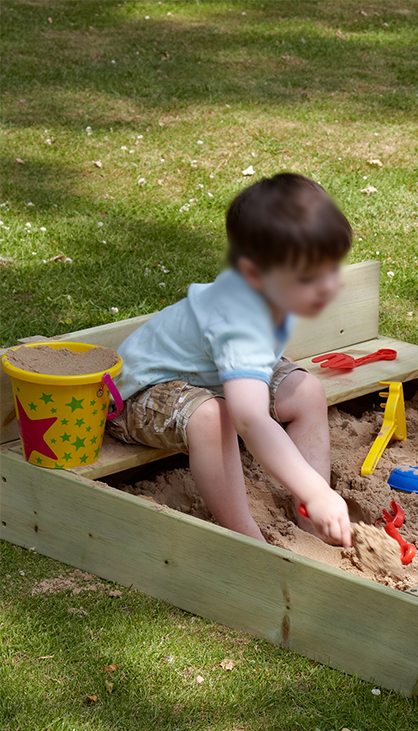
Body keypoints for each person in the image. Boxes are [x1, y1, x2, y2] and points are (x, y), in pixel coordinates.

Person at [108, 173, 353, 546]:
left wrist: (314, 494)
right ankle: (246, 538)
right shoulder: (240, 321)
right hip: (136, 397)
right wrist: (318, 493)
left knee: (306, 392)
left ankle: (311, 522)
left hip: (205, 378)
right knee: (216, 417)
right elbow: (250, 419)